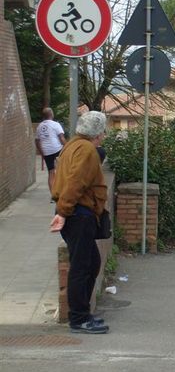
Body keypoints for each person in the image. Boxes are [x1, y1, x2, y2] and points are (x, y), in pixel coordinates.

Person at [50, 111, 109, 334]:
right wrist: (64, 211)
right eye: (103, 131)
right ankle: (79, 318)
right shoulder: (87, 150)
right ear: (98, 132)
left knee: (91, 263)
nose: (104, 135)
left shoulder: (72, 145)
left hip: (72, 212)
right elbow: (76, 182)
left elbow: (64, 178)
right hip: (79, 214)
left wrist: (62, 209)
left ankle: (82, 313)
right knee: (82, 267)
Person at [35, 108, 67, 196]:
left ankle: (54, 195)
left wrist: (42, 153)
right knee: (63, 169)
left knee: (51, 172)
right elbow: (61, 138)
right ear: (51, 114)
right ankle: (63, 190)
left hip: (46, 151)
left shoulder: (39, 126)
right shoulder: (56, 124)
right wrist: (68, 147)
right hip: (57, 149)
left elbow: (37, 142)